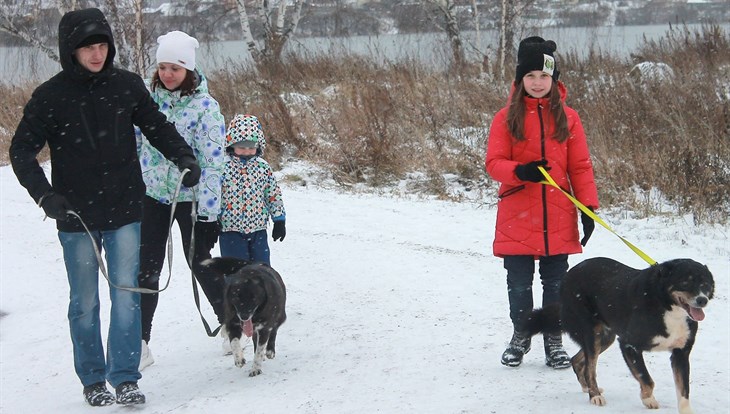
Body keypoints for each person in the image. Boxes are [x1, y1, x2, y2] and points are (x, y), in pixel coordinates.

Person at [8, 8, 200, 407]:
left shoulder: (127, 86)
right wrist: (45, 195)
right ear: (70, 50)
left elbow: (157, 126)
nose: (96, 54)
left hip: (125, 209)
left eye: (102, 46)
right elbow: (21, 151)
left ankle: (126, 377)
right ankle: (94, 380)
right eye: (87, 48)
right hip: (75, 214)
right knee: (85, 302)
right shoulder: (51, 96)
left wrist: (183, 156)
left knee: (127, 295)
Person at [484, 36, 599, 369]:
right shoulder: (505, 118)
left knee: (557, 284)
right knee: (518, 283)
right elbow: (494, 163)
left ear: (554, 79)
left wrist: (588, 208)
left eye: (544, 76)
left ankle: (553, 339)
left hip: (559, 215)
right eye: (531, 76)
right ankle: (521, 335)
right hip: (517, 214)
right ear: (520, 79)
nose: (537, 83)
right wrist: (520, 170)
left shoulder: (569, 118)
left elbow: (580, 166)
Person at [135, 30, 227, 370]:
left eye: (175, 67)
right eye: (162, 67)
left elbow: (214, 161)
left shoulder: (205, 106)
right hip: (153, 194)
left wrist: (209, 214)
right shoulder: (146, 102)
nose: (167, 74)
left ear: (188, 69)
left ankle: (229, 323)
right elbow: (133, 146)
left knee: (200, 261)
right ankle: (140, 342)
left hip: (191, 198)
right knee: (147, 268)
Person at [219, 114, 286, 265]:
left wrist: (279, 219)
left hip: (258, 230)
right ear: (231, 144)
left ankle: (261, 289)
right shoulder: (222, 168)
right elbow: (214, 196)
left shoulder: (263, 167)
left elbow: (273, 194)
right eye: (242, 147)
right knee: (235, 271)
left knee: (261, 270)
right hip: (230, 230)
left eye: (251, 147)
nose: (247, 151)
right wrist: (212, 220)